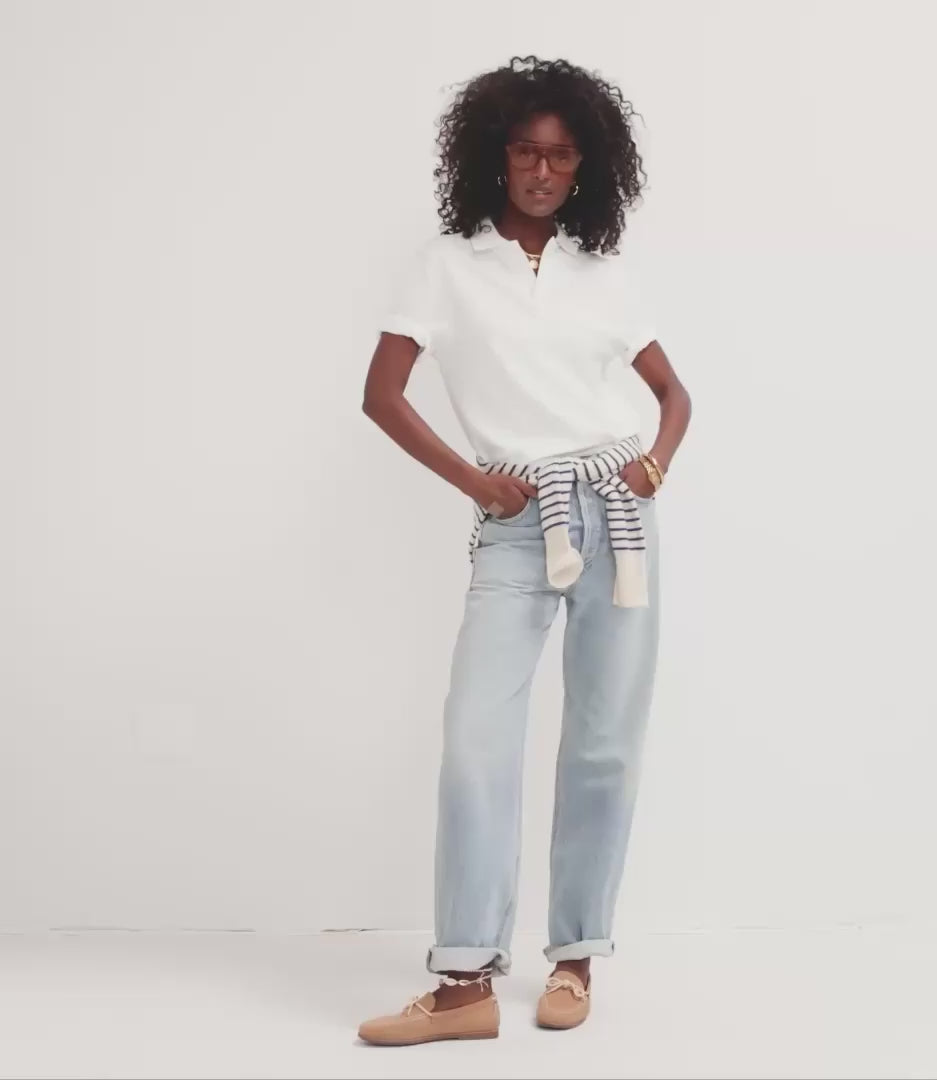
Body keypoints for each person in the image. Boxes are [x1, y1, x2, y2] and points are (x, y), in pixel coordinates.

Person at [357, 55, 692, 1045]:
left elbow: (674, 395)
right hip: (515, 520)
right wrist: (475, 482)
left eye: (561, 155)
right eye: (525, 151)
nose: (542, 171)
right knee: (477, 742)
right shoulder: (447, 266)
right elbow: (381, 395)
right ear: (494, 157)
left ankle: (575, 961)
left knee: (602, 745)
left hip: (617, 519)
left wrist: (654, 466)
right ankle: (464, 982)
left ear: (587, 165)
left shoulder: (604, 274)